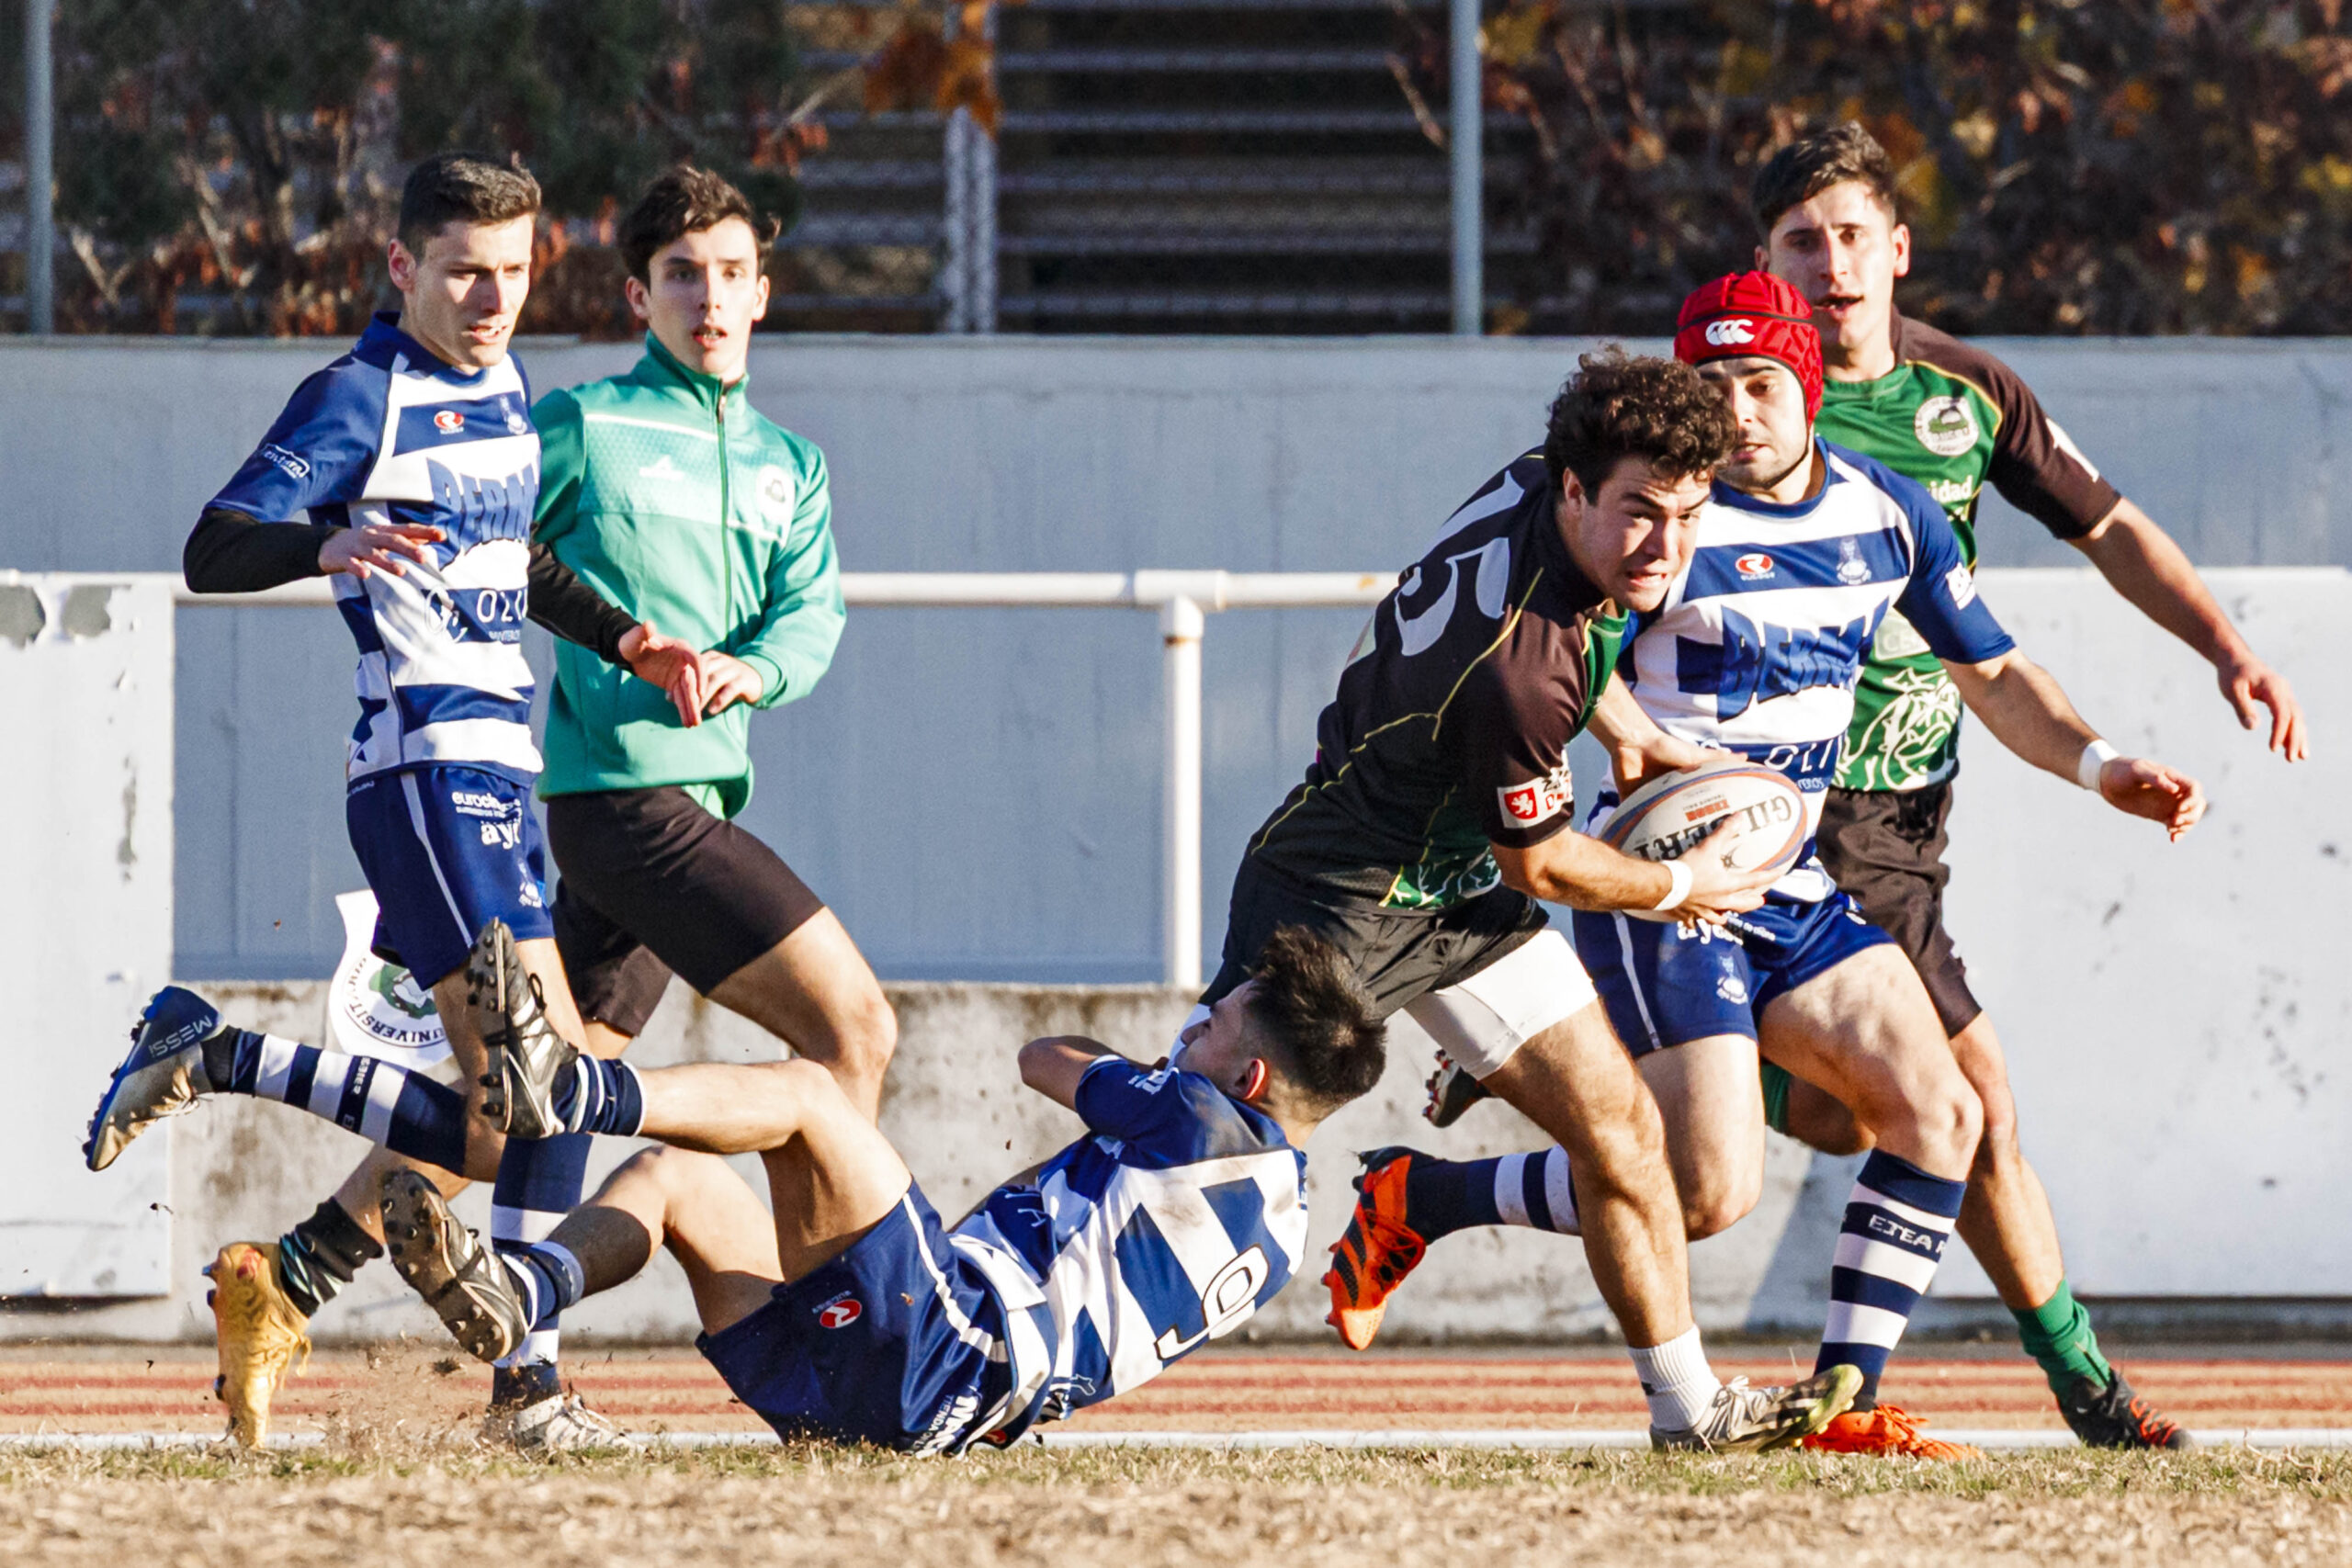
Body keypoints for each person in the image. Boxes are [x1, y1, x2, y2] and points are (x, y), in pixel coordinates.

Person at [1323, 273, 2209, 1461]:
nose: (1739, 410)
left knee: (1937, 1106)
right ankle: (1425, 1195)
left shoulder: (1890, 511)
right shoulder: (1666, 522)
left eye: (1761, 381)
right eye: (1714, 384)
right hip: (1666, 884)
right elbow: (1575, 647)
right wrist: (1632, 727)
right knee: (1701, 1193)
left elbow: (1991, 673)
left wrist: (2102, 764)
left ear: (1808, 385)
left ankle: (1840, 1402)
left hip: (1792, 881)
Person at [83, 152, 699, 1450]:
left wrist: (623, 637)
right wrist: (325, 538)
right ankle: (527, 1391)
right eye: (466, 271)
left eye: (516, 272)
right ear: (403, 266)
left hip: (496, 775)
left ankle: (218, 1054)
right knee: (552, 1082)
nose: (492, 297)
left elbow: (510, 551)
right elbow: (213, 543)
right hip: (424, 775)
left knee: (508, 1117)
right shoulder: (361, 393)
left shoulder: (506, 383)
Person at [1753, 122, 2304, 1449]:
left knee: (1847, 1113)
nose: (1828, 266)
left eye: (1848, 237)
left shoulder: (1969, 397)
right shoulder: (1744, 401)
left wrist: (2225, 647)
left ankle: (1480, 1169)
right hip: (1790, 810)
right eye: (1797, 242)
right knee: (1975, 1096)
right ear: (1760, 259)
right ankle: (2075, 1392)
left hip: (1909, 816)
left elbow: (2107, 528)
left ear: (1898, 249)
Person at [1200, 350, 1860, 1450]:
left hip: (1453, 898)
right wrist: (1677, 885)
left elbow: (1578, 651)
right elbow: (1543, 865)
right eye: (1643, 515)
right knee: (1202, 1150)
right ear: (1572, 489)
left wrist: (1639, 738)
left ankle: (1687, 1411)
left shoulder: (1547, 497)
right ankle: (989, 1318)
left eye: (1691, 516)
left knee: (1625, 1133)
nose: (1669, 548)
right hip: (1340, 894)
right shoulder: (1521, 667)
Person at [380, 921, 1385, 1450]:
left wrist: (1156, 1068)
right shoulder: (1284, 1225)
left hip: (949, 1342)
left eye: (1211, 1026)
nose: (1191, 1028)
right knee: (677, 1179)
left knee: (813, 1099)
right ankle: (527, 1289)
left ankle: (572, 1085)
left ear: (1249, 1079)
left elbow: (1044, 1058)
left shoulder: (1197, 1117)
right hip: (932, 1412)